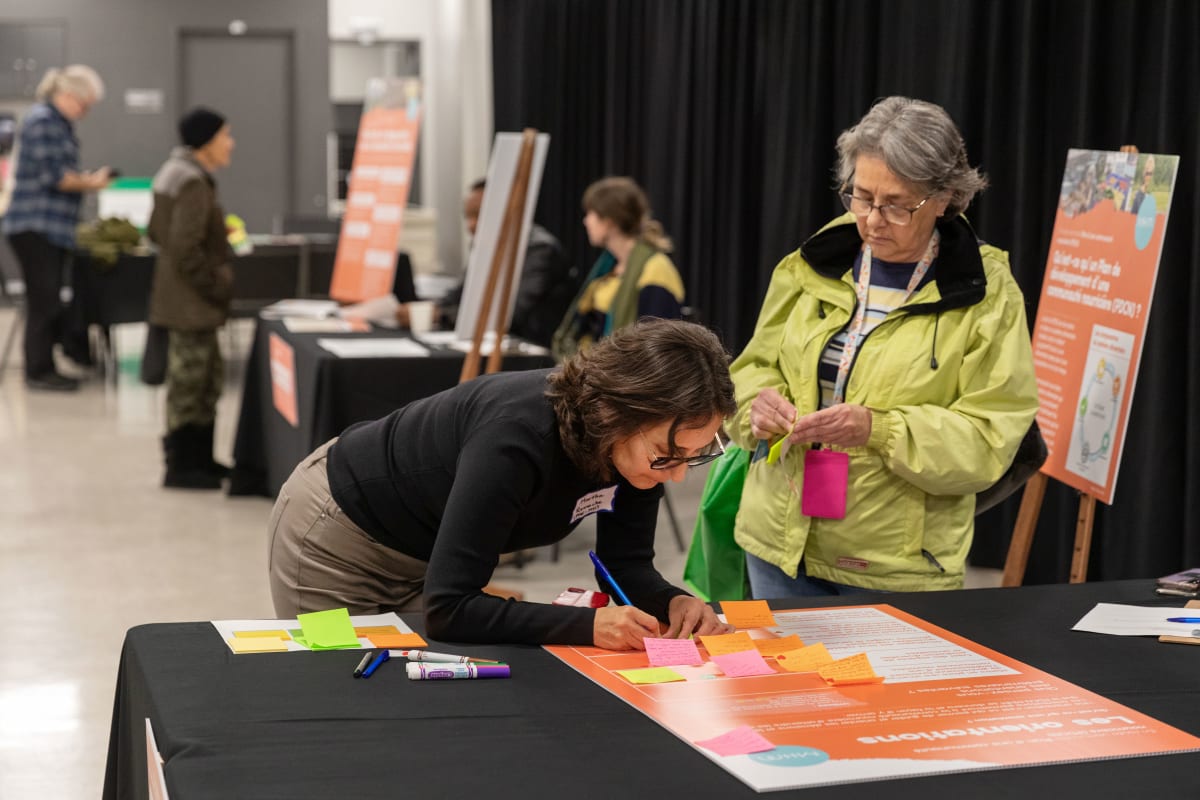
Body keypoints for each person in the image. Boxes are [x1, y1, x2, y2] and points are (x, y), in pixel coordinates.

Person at [729, 96, 1038, 598]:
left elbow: (990, 437)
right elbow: (753, 368)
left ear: (945, 198)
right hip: (778, 544)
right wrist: (755, 405)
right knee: (781, 679)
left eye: (895, 205)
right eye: (860, 196)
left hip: (893, 565)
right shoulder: (810, 263)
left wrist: (879, 429)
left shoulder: (987, 293)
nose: (872, 220)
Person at [268, 318, 737, 648]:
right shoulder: (517, 437)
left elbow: (625, 565)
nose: (674, 475)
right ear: (616, 412)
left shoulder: (635, 448)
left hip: (422, 556)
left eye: (691, 458)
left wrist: (670, 600)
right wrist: (588, 625)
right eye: (666, 456)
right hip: (337, 537)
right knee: (338, 687)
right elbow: (450, 609)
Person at [2, 65, 111, 391]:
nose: (86, 112)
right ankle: (38, 370)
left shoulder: (58, 124)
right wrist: (92, 182)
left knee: (49, 297)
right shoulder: (42, 122)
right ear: (67, 95)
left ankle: (51, 359)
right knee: (44, 299)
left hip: (52, 227)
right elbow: (56, 177)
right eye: (84, 104)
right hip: (34, 225)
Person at [146, 108, 236, 490]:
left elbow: (155, 231)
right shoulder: (193, 182)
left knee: (203, 380)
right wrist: (216, 282)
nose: (230, 143)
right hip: (192, 303)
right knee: (192, 383)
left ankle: (200, 460)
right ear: (206, 141)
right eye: (225, 135)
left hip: (178, 298)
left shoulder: (171, 172)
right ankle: (183, 467)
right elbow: (186, 248)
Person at [551, 176, 684, 360]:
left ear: (609, 221)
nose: (585, 221)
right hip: (599, 369)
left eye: (591, 213)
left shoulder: (655, 270)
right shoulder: (608, 267)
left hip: (629, 377)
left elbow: (656, 348)